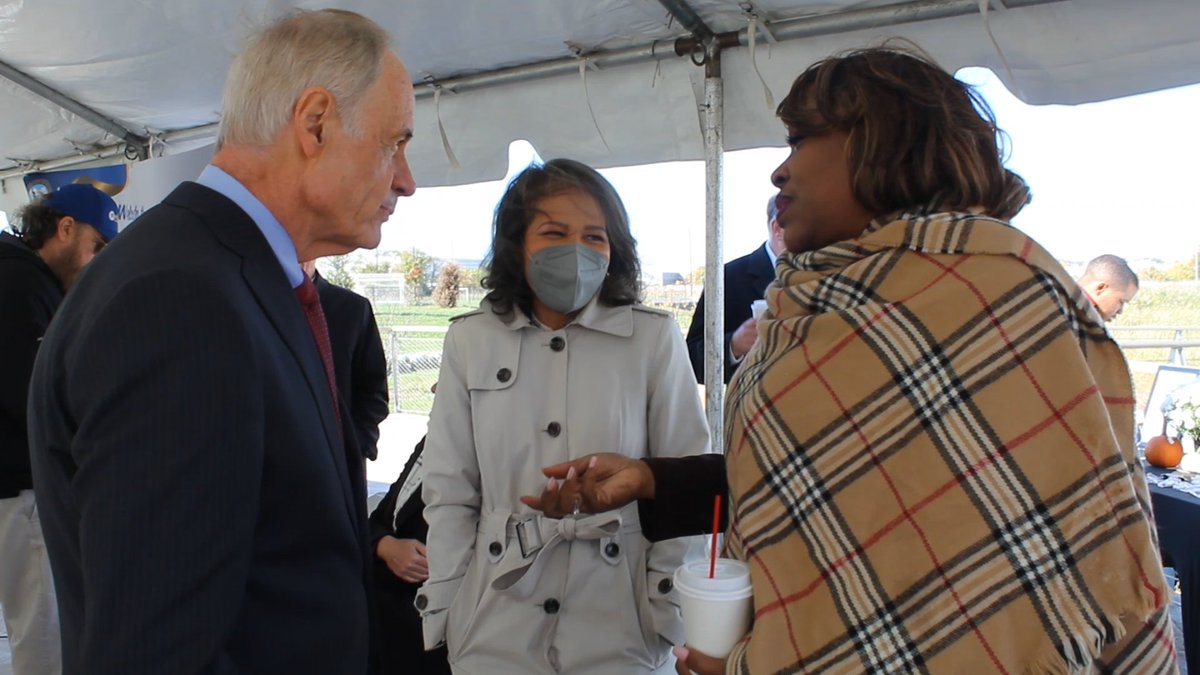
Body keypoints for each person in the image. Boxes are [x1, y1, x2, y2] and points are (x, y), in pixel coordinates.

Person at [528, 45, 1177, 675]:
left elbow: (1009, 534)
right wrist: (651, 481)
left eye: (801, 142)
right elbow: (817, 483)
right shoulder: (803, 310)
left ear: (882, 144)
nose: (780, 172)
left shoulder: (1001, 297)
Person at [25, 9, 415, 674]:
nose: (406, 179)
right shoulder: (181, 300)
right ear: (315, 122)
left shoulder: (232, 276)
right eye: (394, 142)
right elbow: (157, 648)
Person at [416, 158, 710, 674]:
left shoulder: (653, 338)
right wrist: (450, 603)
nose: (577, 251)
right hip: (493, 619)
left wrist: (666, 607)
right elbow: (448, 488)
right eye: (554, 232)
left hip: (621, 626)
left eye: (595, 237)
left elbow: (685, 482)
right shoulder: (470, 339)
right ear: (517, 244)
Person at [0, 183, 118, 675]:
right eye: (96, 248)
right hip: (19, 485)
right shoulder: (23, 285)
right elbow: (33, 397)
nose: (95, 264)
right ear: (65, 229)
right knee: (42, 636)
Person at [368, 434, 451, 674]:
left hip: (429, 625)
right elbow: (381, 518)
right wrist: (385, 545)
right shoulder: (433, 440)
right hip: (386, 613)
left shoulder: (489, 452)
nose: (434, 393)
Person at [685, 195, 786, 384]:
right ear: (777, 228)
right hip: (753, 408)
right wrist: (733, 345)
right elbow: (690, 360)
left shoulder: (824, 276)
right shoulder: (727, 278)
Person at [302, 259, 389, 460]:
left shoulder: (353, 308)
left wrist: (357, 444)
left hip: (340, 461)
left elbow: (373, 390)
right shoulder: (248, 304)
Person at [1077, 253, 1139, 322]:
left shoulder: (1067, 307)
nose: (1120, 311)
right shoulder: (1078, 320)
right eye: (1121, 302)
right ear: (1101, 288)